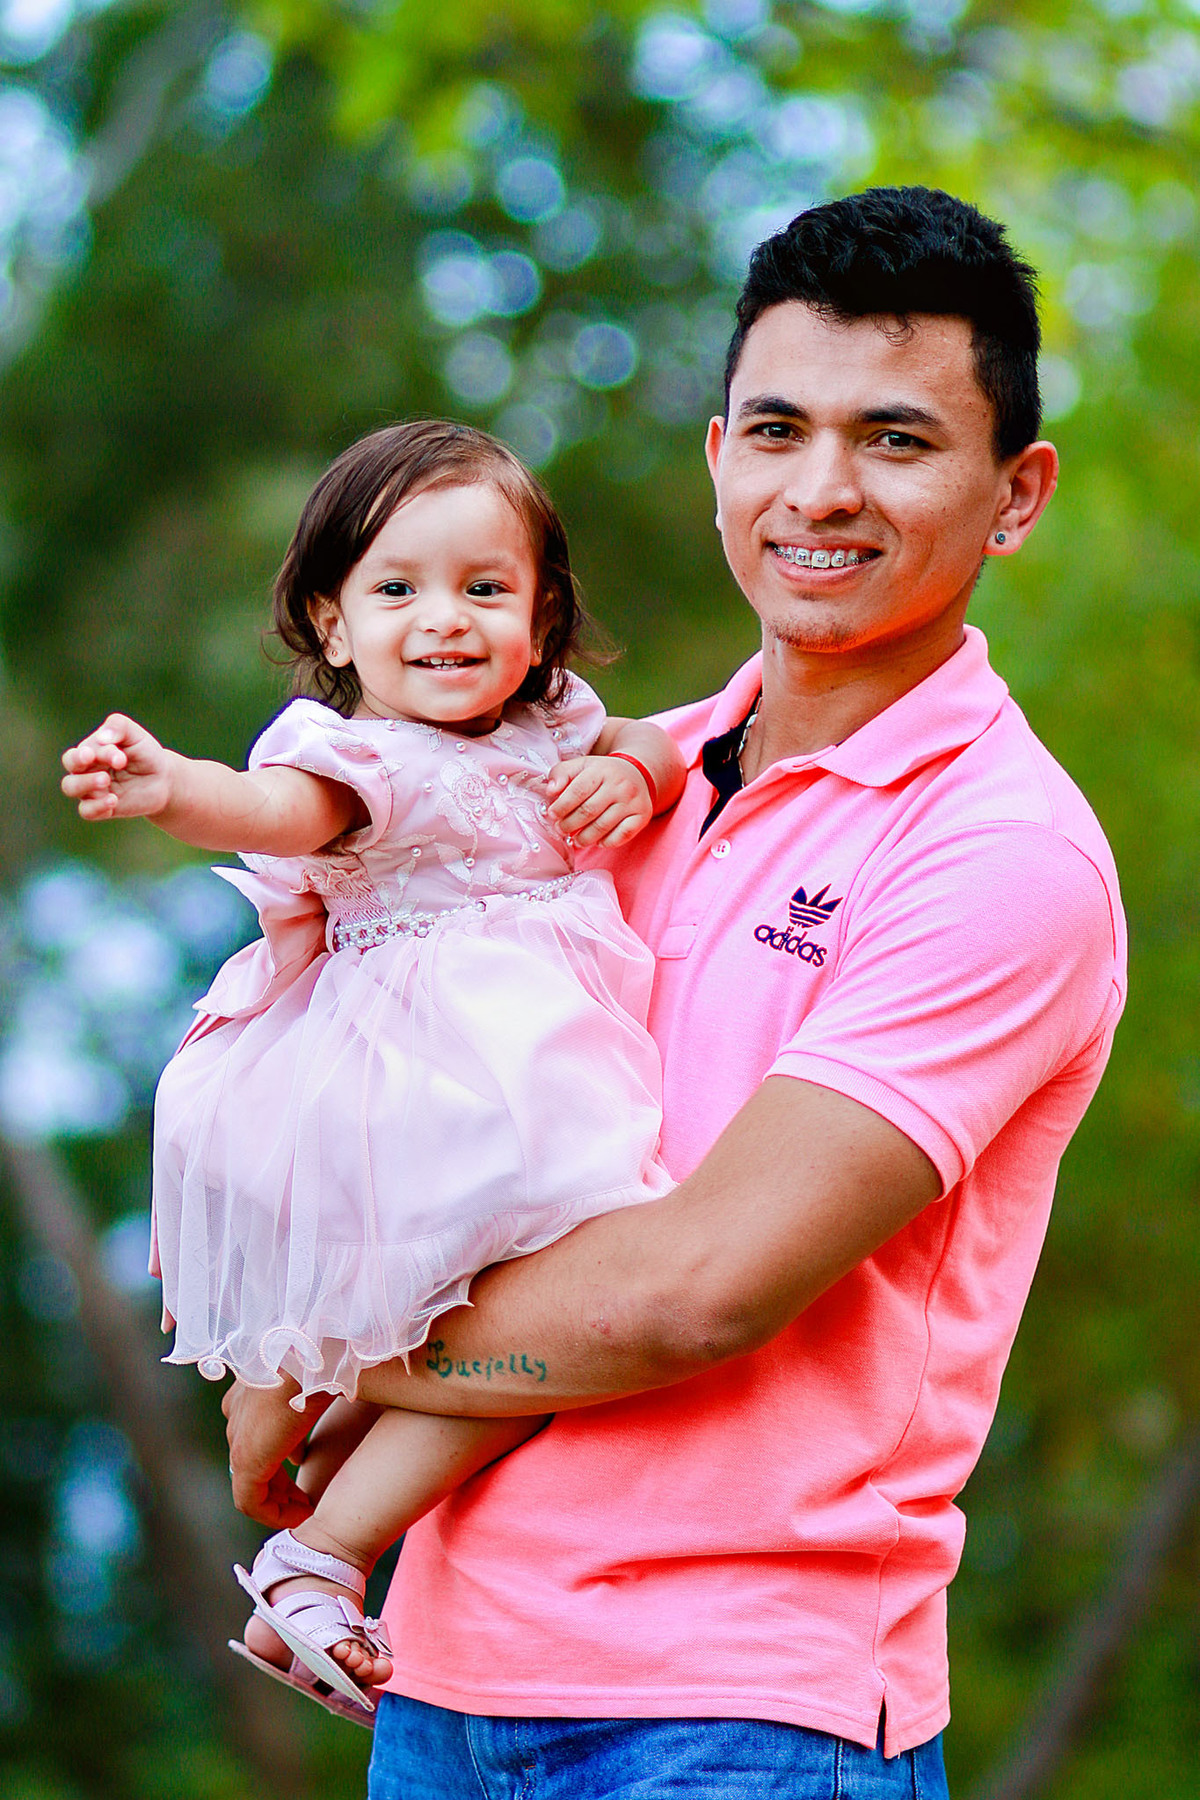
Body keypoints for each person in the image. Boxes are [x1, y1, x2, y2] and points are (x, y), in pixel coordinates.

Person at [226, 185, 1125, 1800]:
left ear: (1016, 493)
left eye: (897, 440)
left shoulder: (1003, 853)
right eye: (777, 430)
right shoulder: (585, 781)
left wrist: (316, 1352)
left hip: (740, 1720)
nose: (821, 490)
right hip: (433, 1684)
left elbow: (691, 1292)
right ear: (719, 460)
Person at [60, 419, 687, 1718]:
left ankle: (317, 1508)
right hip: (443, 1088)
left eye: (485, 587)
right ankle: (323, 1557)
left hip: (525, 1071)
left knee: (504, 1331)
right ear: (332, 625)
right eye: (397, 589)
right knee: (556, 1328)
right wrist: (172, 786)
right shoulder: (367, 763)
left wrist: (635, 769)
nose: (443, 618)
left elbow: (645, 734)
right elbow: (269, 810)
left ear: (542, 618)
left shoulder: (550, 727)